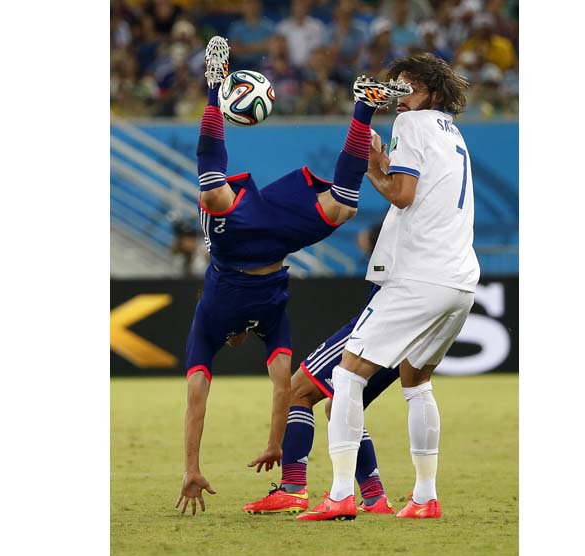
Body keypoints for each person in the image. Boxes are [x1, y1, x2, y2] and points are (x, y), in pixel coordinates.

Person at [175, 36, 413, 516]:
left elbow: (199, 399)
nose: (237, 341)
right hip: (278, 240)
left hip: (232, 245)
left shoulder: (206, 322)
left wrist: (194, 466)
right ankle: (363, 110)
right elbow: (279, 384)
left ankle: (213, 87)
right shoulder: (269, 321)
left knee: (213, 195)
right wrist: (267, 444)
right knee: (343, 206)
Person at [296, 52, 479, 521]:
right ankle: (424, 497)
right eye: (395, 87)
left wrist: (376, 165)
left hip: (419, 276)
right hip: (459, 280)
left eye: (408, 88)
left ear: (431, 93)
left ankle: (340, 494)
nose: (399, 98)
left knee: (348, 374)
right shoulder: (452, 132)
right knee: (416, 382)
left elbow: (402, 193)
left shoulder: (413, 126)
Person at [241, 287, 402, 515]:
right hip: (417, 325)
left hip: (383, 320)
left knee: (297, 390)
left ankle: (293, 488)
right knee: (340, 406)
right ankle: (374, 496)